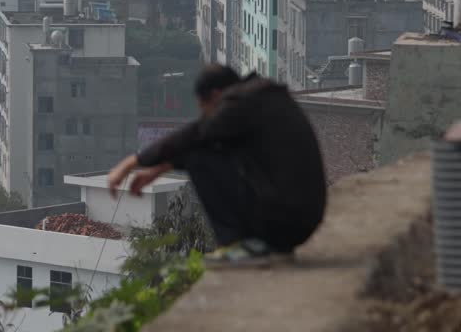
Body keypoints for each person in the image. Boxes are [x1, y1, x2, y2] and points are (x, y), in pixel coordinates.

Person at [107, 65, 327, 263]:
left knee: (198, 159)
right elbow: (211, 140)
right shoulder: (261, 98)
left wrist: (133, 161)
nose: (209, 117)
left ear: (215, 95)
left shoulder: (242, 102)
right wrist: (158, 169)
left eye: (207, 110)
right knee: (206, 151)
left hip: (284, 222)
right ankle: (257, 244)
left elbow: (199, 133)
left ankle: (239, 244)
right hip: (299, 222)